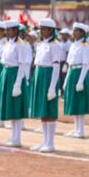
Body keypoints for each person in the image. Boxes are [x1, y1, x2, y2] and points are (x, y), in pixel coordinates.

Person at [28, 19, 62, 153]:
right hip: (39, 74)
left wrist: (52, 87)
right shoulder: (41, 44)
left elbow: (56, 66)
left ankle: (50, 143)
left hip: (48, 76)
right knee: (42, 109)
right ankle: (44, 141)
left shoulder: (55, 45)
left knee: (49, 109)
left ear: (51, 30)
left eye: (44, 29)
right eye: (41, 29)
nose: (41, 31)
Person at [0, 19, 28, 147]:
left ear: (16, 30)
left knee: (16, 107)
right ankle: (13, 136)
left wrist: (17, 84)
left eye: (9, 30)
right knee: (10, 106)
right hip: (7, 73)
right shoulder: (8, 43)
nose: (7, 32)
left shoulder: (20, 45)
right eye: (7, 30)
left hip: (15, 75)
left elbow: (21, 65)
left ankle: (17, 138)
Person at [63, 23, 89, 138]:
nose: (74, 33)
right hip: (72, 72)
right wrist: (66, 80)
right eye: (74, 30)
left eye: (76, 31)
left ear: (82, 33)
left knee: (80, 103)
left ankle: (81, 130)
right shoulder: (73, 45)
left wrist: (80, 81)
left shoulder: (85, 46)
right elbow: (70, 64)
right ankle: (76, 129)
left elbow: (85, 65)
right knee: (74, 102)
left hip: (80, 73)